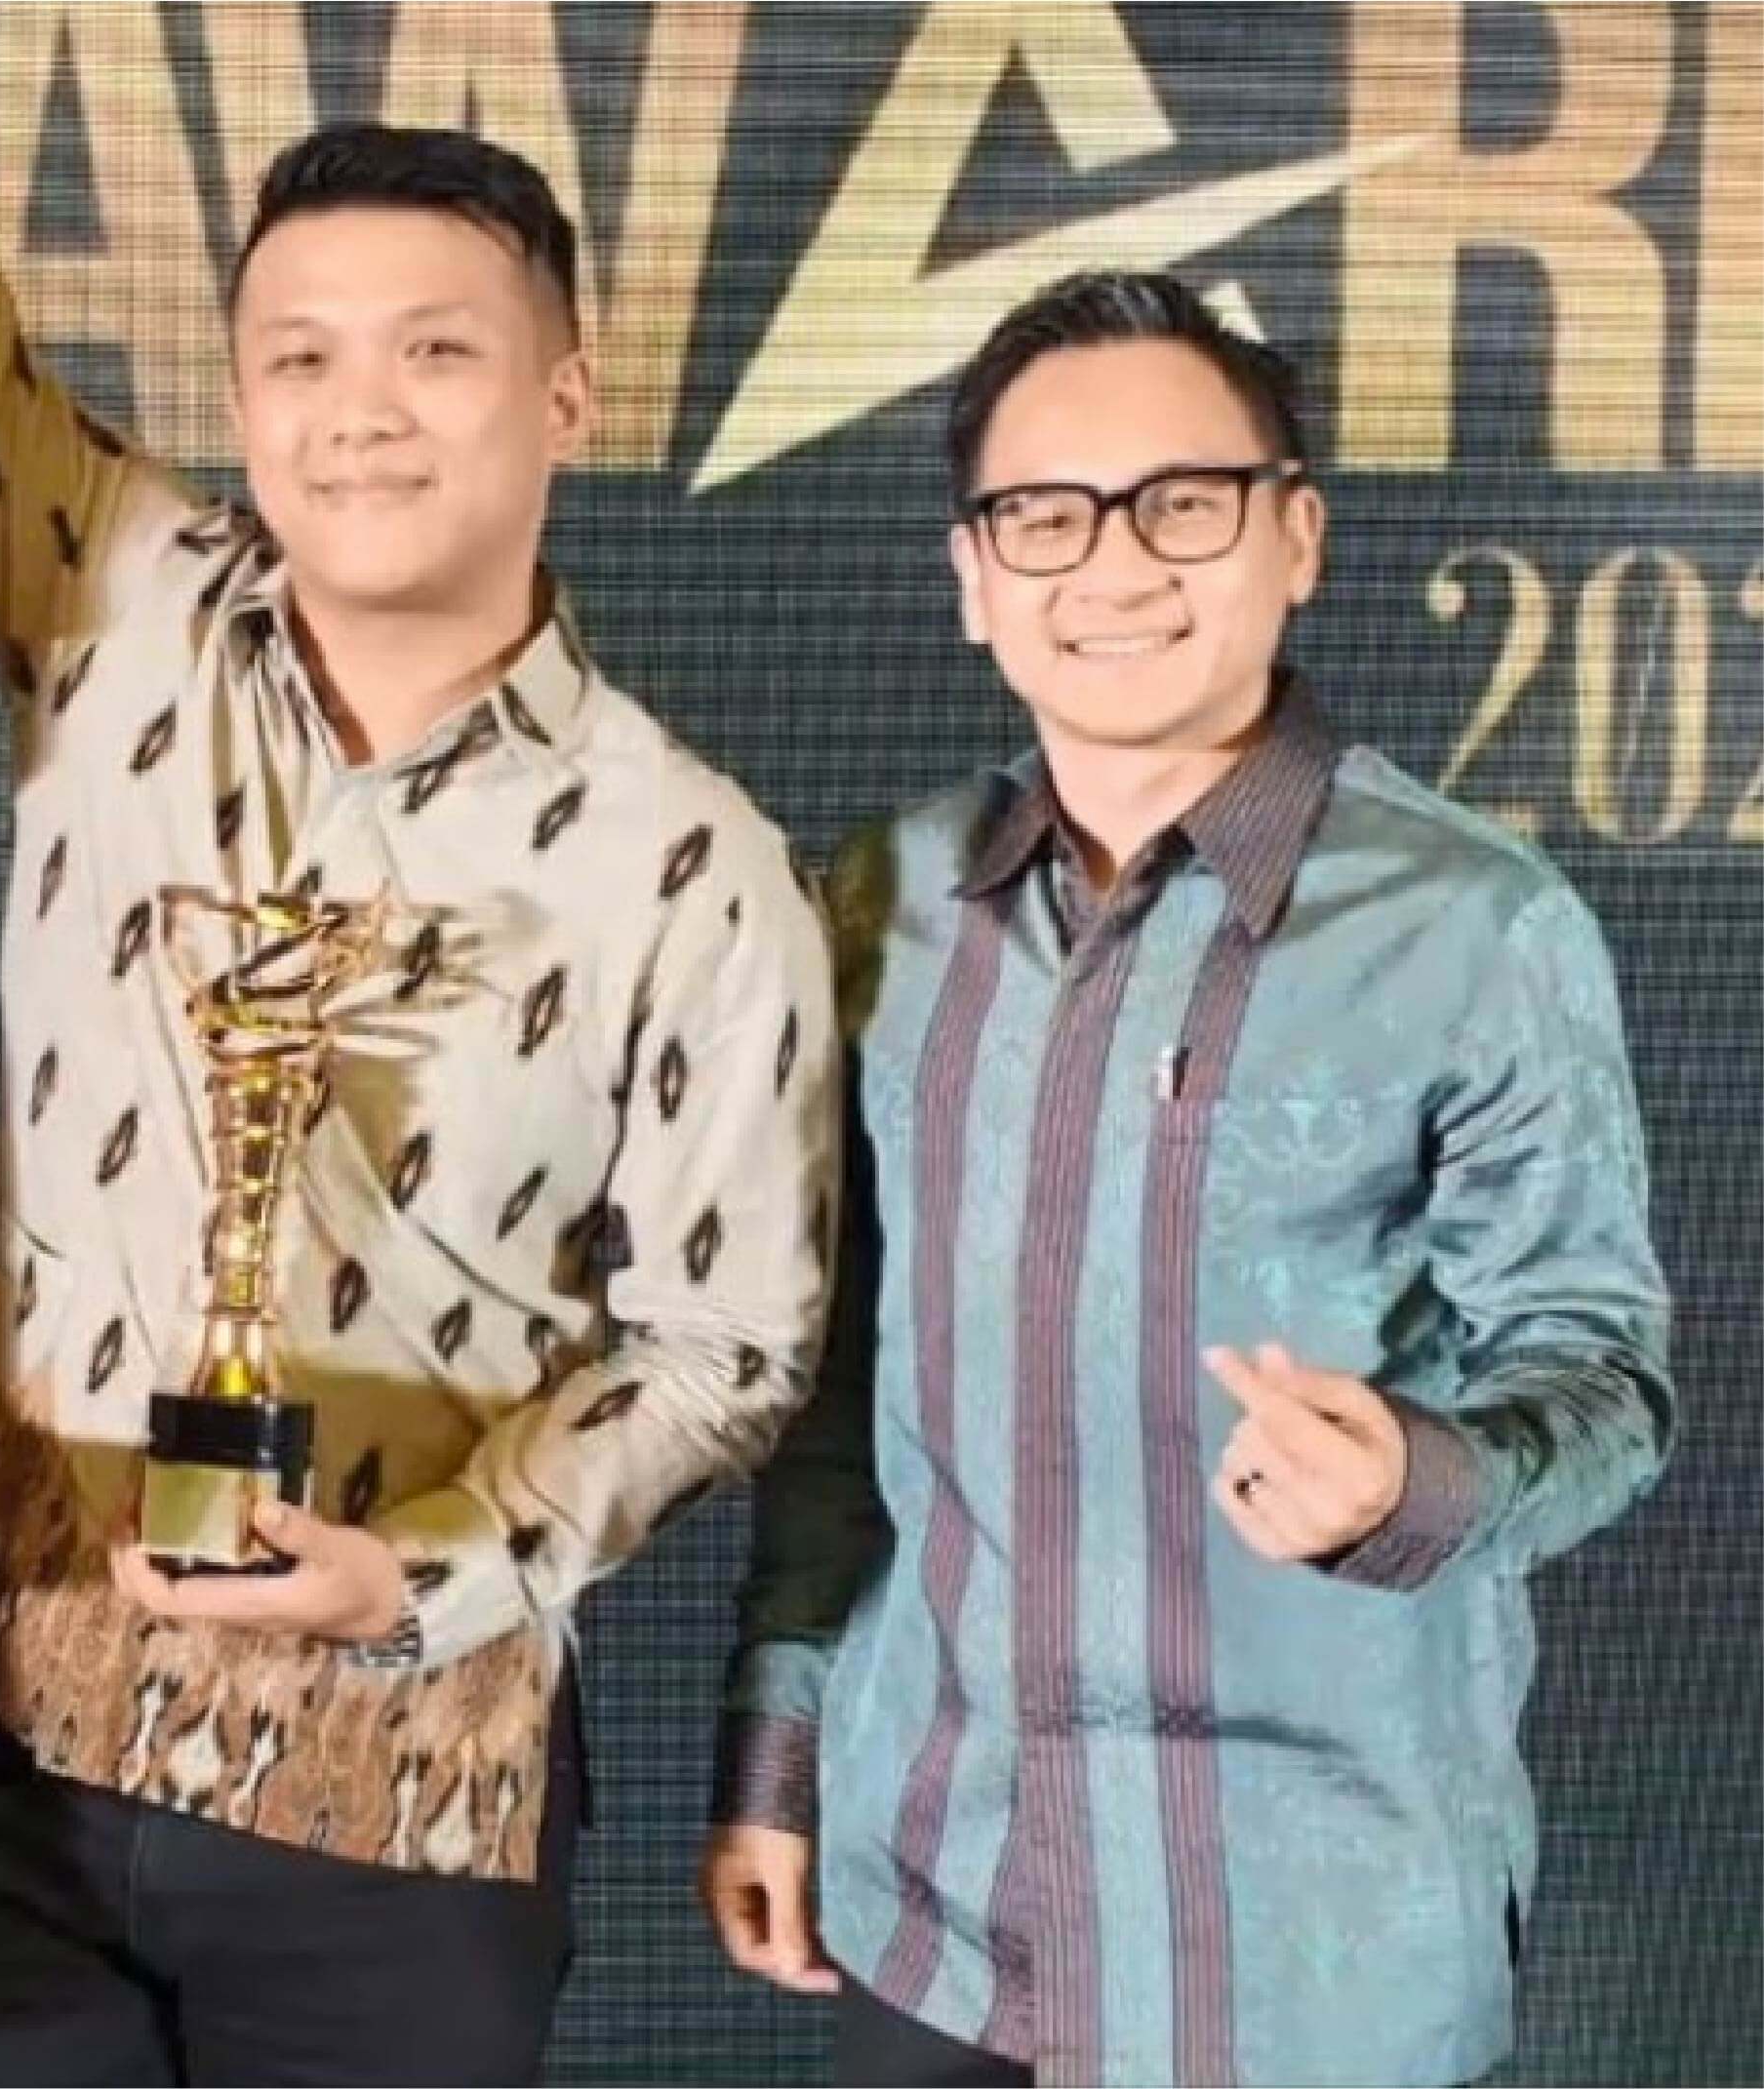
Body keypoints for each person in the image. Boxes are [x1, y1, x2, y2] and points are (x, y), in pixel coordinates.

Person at [0, 6, 836, 2081]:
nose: (360, 414)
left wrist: (430, 1571)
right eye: (299, 358)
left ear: (565, 393)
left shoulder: (693, 863)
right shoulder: (111, 609)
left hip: (399, 1802)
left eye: (435, 351)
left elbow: (728, 1342)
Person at [702, 269, 1675, 2088]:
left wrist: (1408, 1472)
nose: (1113, 565)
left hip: (1307, 1948)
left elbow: (1606, 1381)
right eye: (1043, 515)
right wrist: (782, 1750)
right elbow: (843, 1389)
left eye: (1181, 503)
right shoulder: (884, 907)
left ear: (1294, 535)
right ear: (973, 574)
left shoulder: (1475, 929)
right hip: (938, 1904)